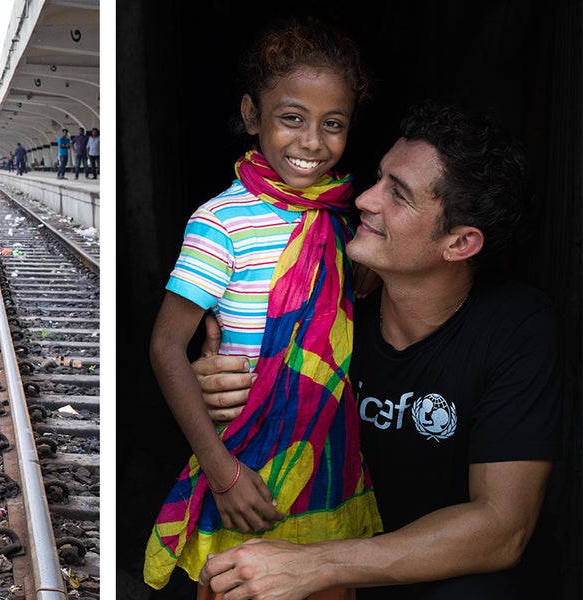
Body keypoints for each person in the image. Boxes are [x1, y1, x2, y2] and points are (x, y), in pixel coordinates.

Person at [193, 101, 564, 600]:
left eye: (399, 194)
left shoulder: (518, 328)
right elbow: (240, 390)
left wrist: (317, 564)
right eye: (378, 178)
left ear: (459, 243)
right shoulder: (321, 293)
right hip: (330, 548)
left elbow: (502, 527)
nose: (365, 199)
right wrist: (221, 387)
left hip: (436, 573)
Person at [143, 19, 381, 595]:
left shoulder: (343, 220)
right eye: (291, 118)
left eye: (334, 125)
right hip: (246, 464)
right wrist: (222, 478)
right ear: (253, 116)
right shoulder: (221, 223)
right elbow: (166, 346)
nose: (311, 143)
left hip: (328, 461)